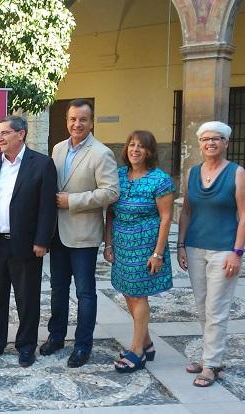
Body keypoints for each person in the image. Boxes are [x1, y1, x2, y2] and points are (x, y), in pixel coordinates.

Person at [0, 115, 57, 368]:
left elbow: (47, 208)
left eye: (5, 133)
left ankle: (26, 346)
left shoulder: (42, 164)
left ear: (21, 134)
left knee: (27, 297)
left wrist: (42, 241)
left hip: (26, 244)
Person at [43, 99, 120, 368]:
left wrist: (72, 200)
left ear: (91, 122)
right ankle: (56, 336)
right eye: (73, 119)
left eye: (83, 120)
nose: (77, 124)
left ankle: (82, 345)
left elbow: (111, 192)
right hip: (58, 233)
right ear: (67, 121)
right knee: (57, 289)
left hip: (84, 234)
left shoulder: (101, 153)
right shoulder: (58, 148)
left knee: (85, 293)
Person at [177, 121, 245, 387]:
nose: (211, 143)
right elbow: (186, 211)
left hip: (224, 250)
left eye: (217, 139)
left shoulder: (236, 173)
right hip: (195, 247)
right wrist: (181, 245)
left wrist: (238, 252)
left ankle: (211, 364)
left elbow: (244, 215)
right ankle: (210, 355)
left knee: (216, 308)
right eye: (206, 139)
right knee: (201, 306)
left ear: (226, 143)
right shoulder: (193, 173)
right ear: (199, 144)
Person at [103, 130, 174, 373]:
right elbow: (110, 213)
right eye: (131, 145)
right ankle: (147, 343)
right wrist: (109, 243)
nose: (135, 150)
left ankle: (137, 351)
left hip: (146, 246)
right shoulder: (119, 175)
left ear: (150, 152)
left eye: (141, 147)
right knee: (128, 292)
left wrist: (158, 253)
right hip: (122, 245)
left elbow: (166, 218)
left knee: (138, 294)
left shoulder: (160, 179)